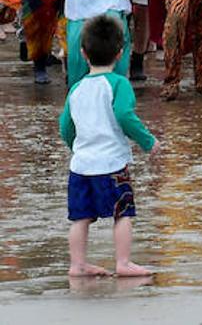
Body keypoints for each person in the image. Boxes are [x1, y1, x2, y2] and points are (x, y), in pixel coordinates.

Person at [59, 15, 157, 278]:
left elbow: (65, 127)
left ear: (83, 53)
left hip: (80, 166)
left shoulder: (76, 88)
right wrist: (148, 141)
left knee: (80, 218)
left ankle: (78, 265)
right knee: (122, 214)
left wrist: (76, 148)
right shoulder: (119, 84)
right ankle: (123, 262)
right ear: (120, 52)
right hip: (112, 164)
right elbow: (125, 115)